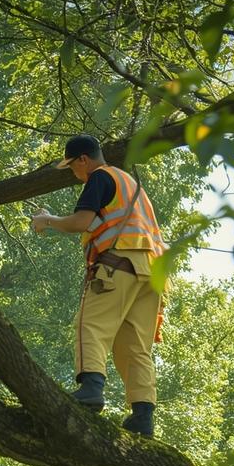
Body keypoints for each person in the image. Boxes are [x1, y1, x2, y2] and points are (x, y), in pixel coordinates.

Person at [29, 134, 167, 437]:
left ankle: (91, 389)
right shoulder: (131, 186)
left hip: (118, 266)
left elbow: (81, 222)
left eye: (72, 167)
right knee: (134, 346)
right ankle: (142, 417)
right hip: (151, 274)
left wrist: (47, 220)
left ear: (83, 159)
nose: (74, 174)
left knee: (89, 325)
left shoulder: (99, 177)